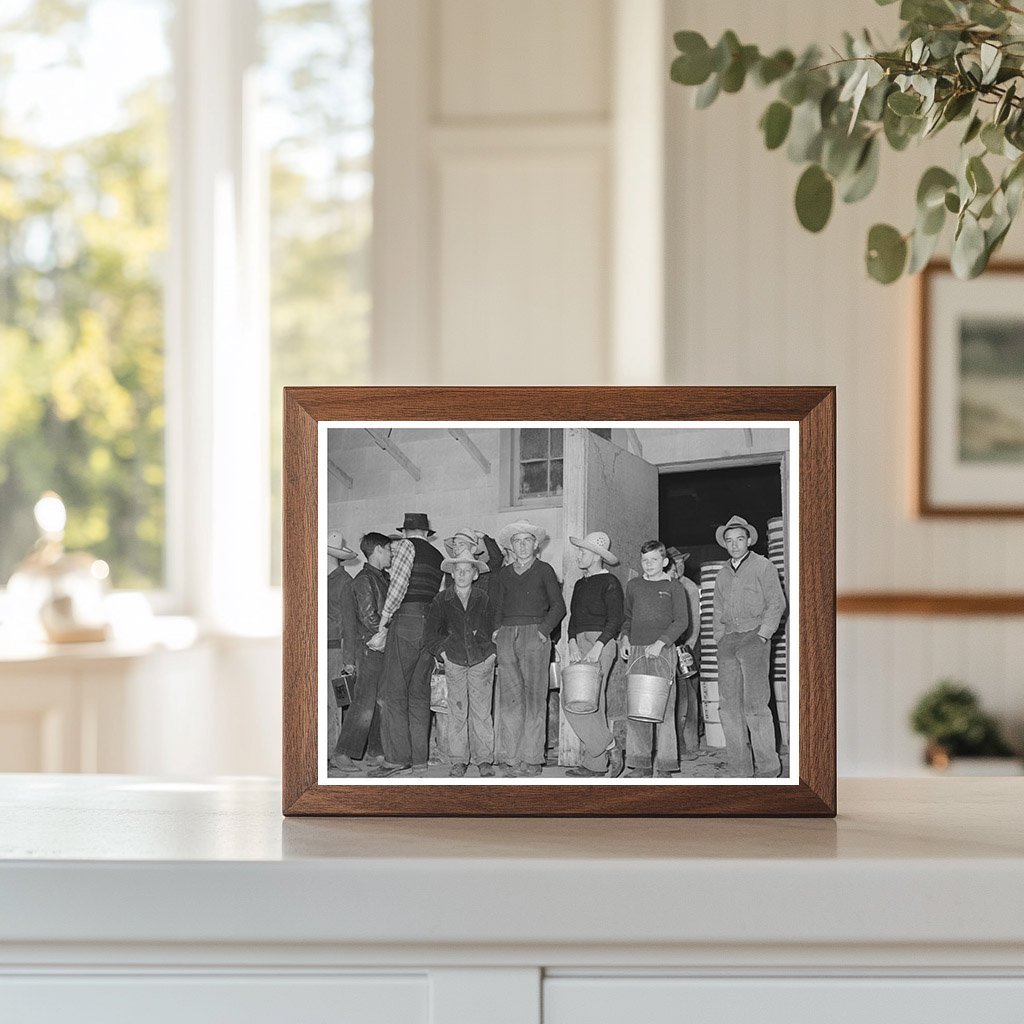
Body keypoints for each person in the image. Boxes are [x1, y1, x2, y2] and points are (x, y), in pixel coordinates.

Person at [368, 512, 444, 778]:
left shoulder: (403, 546)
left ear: (404, 532)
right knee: (419, 695)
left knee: (393, 693)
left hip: (407, 620)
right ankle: (419, 760)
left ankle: (397, 759)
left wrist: (384, 622)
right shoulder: (437, 556)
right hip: (430, 624)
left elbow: (398, 585)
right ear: (426, 532)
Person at [490, 519, 566, 778]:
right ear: (511, 546)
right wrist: (498, 630)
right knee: (510, 699)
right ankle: (512, 758)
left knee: (535, 698)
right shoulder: (504, 574)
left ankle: (532, 759)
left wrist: (543, 632)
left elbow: (558, 607)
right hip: (507, 637)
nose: (522, 546)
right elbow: (497, 606)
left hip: (536, 635)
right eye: (517, 541)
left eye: (527, 541)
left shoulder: (545, 570)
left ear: (535, 544)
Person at [712, 514, 786, 778]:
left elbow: (776, 604)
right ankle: (739, 768)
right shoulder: (722, 574)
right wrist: (719, 636)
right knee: (729, 708)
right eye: (729, 541)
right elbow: (717, 607)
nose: (734, 545)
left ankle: (768, 769)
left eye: (739, 539)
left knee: (755, 707)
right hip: (728, 641)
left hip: (753, 638)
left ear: (748, 540)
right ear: (725, 544)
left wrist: (763, 635)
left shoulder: (763, 566)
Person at [424, 550, 497, 778]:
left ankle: (484, 759)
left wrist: (491, 654)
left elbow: (494, 628)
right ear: (452, 574)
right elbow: (429, 634)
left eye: (468, 570)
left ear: (475, 575)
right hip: (454, 661)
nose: (463, 574)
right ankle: (458, 760)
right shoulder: (441, 600)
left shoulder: (484, 599)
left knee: (482, 712)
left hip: (481, 661)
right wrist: (443, 653)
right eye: (458, 570)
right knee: (457, 712)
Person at [620, 540, 688, 778]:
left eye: (654, 560)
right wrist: (625, 639)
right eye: (645, 560)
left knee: (665, 710)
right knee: (637, 709)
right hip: (638, 652)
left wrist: (661, 643)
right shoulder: (633, 586)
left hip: (663, 651)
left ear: (665, 562)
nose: (649, 565)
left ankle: (666, 765)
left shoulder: (674, 587)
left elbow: (682, 621)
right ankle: (640, 765)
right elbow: (627, 618)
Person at [563, 531, 624, 778]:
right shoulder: (580, 583)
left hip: (602, 642)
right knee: (578, 702)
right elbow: (573, 617)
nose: (579, 555)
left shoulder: (610, 582)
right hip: (580, 642)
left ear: (597, 556)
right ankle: (599, 760)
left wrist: (598, 645)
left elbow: (616, 618)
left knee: (587, 702)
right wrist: (571, 642)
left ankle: (602, 752)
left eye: (583, 551)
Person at [330, 532, 392, 774]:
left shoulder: (379, 578)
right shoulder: (365, 580)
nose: (391, 554)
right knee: (364, 703)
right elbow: (370, 618)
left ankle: (375, 751)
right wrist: (390, 633)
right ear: (377, 550)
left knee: (376, 701)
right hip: (370, 648)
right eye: (388, 549)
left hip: (375, 647)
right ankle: (342, 753)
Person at [325, 531, 359, 762]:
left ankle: (332, 754)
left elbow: (349, 624)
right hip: (320, 649)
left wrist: (349, 660)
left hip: (334, 652)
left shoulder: (345, 582)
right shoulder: (322, 579)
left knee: (333, 705)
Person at [666, 546, 702, 763]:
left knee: (690, 693)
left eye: (680, 563)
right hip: (672, 643)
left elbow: (695, 620)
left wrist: (689, 645)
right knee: (676, 696)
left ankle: (691, 742)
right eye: (673, 563)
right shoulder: (665, 585)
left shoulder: (688, 586)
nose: (678, 567)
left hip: (688, 644)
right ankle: (677, 744)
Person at [442, 528, 504, 599]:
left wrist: (484, 537)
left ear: (473, 549)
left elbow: (497, 558)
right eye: (454, 545)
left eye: (461, 544)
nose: (456, 548)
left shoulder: (483, 571)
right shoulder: (450, 572)